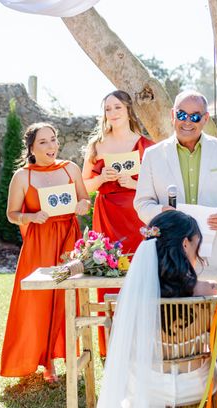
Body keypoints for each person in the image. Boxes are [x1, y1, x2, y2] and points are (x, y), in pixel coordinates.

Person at [0, 210, 217, 408]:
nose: (198, 252)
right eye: (197, 244)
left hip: (149, 389)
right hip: (195, 389)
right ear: (185, 244)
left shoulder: (135, 294)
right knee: (211, 365)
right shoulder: (210, 291)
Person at [134, 89, 217, 408]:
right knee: (179, 313)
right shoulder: (153, 155)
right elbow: (141, 203)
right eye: (181, 115)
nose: (186, 122)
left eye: (194, 117)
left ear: (204, 119)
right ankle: (187, 380)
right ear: (172, 115)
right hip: (174, 252)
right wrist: (160, 214)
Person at [0, 123, 91, 382]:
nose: (51, 146)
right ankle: (45, 360)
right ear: (31, 147)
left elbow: (85, 199)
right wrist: (31, 216)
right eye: (43, 142)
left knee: (68, 297)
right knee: (40, 300)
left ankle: (67, 353)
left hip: (69, 240)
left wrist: (83, 206)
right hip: (39, 242)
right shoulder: (22, 177)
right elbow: (11, 214)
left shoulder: (70, 168)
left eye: (53, 140)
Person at [81, 90, 154, 357]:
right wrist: (101, 180)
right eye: (108, 108)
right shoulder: (96, 146)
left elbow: (159, 185)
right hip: (107, 215)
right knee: (108, 271)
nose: (112, 113)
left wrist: (134, 184)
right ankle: (110, 343)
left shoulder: (147, 145)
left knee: (140, 270)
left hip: (137, 216)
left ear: (128, 110)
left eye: (117, 108)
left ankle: (144, 338)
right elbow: (83, 187)